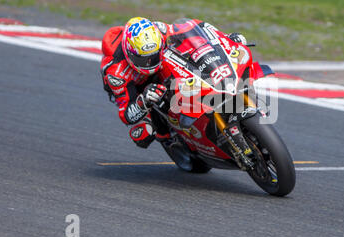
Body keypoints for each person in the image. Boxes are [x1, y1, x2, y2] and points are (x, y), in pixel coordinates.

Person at [100, 17, 246, 149]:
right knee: (146, 132)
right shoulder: (116, 73)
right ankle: (169, 140)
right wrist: (143, 101)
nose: (150, 63)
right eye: (143, 59)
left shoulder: (160, 31)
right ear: (129, 53)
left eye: (154, 55)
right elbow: (126, 114)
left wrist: (225, 39)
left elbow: (196, 28)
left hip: (164, 65)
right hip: (136, 87)